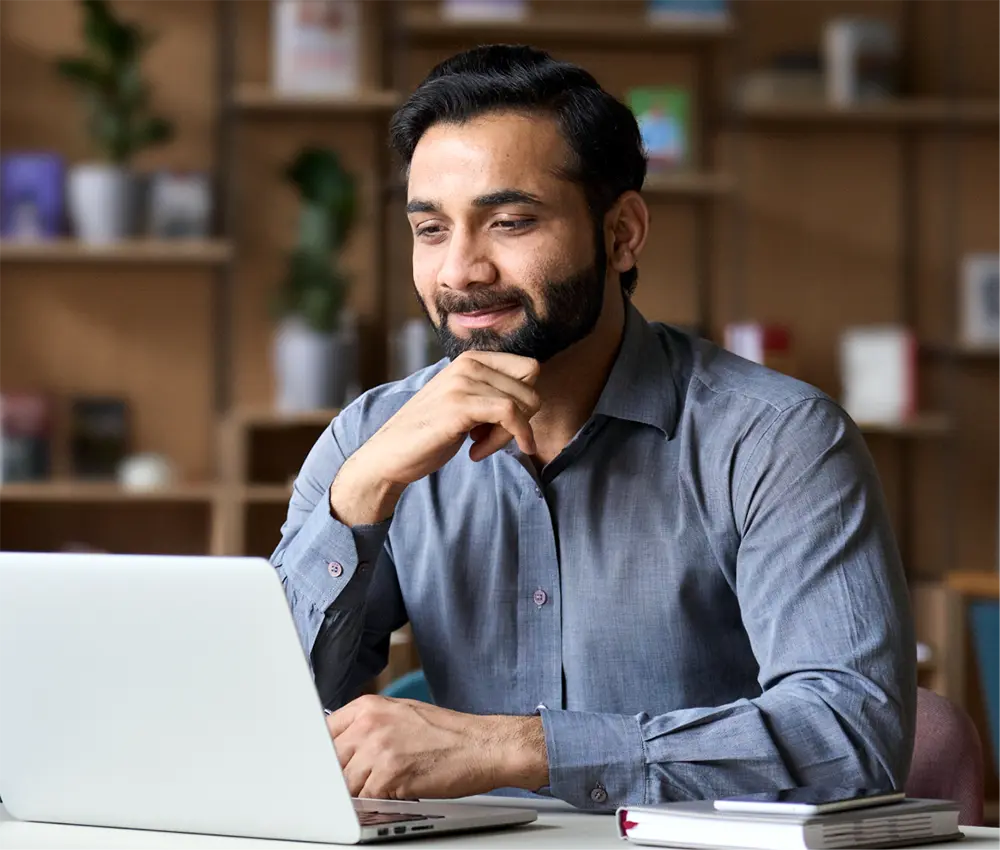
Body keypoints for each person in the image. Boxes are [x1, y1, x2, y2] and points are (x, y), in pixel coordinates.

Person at [270, 44, 916, 810]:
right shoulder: (369, 441)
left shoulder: (778, 440)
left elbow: (850, 738)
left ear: (622, 233)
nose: (460, 271)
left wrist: (523, 749)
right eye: (432, 229)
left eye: (510, 222)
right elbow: (256, 721)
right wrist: (359, 498)